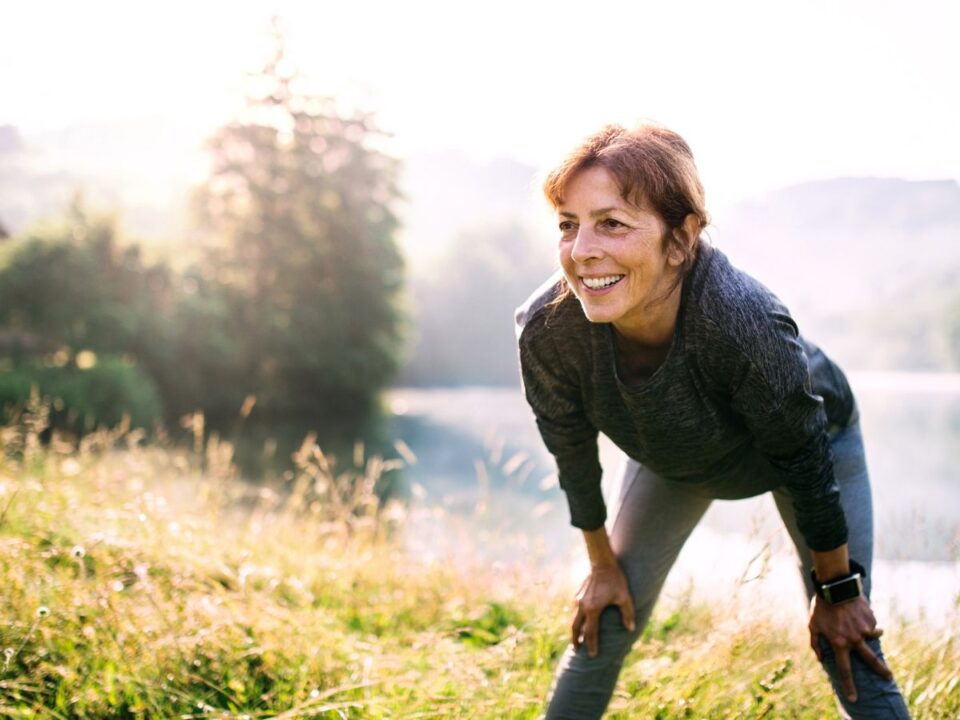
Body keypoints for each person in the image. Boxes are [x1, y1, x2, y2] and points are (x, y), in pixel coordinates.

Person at [515, 123, 911, 719]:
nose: (581, 250)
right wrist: (600, 566)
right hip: (676, 455)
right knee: (605, 619)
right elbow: (568, 445)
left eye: (612, 223)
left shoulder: (743, 322)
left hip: (809, 446)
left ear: (682, 238)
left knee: (845, 639)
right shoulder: (548, 328)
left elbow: (804, 460)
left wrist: (837, 590)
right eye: (569, 224)